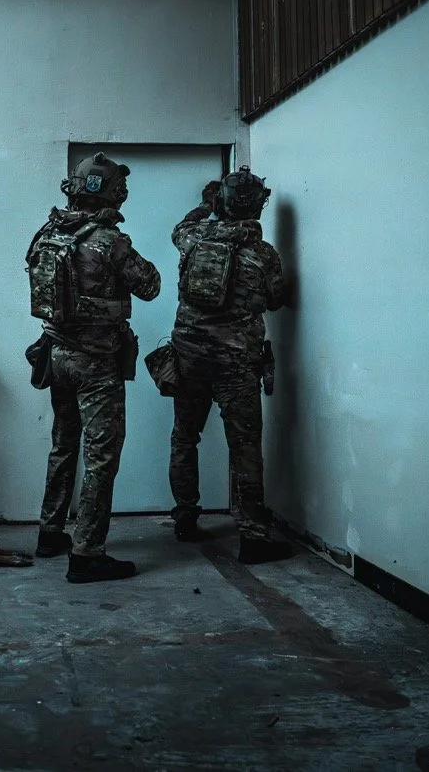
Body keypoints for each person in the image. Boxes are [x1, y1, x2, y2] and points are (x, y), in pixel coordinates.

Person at [25, 152, 160, 583]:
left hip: (56, 355)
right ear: (110, 191)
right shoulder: (109, 240)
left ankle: (50, 532)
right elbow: (151, 286)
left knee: (63, 445)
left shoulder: (49, 232)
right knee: (101, 456)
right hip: (96, 364)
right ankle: (87, 553)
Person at [167, 166, 297, 564]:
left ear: (220, 201)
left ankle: (185, 518)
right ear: (258, 207)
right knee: (244, 446)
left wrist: (204, 206)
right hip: (237, 364)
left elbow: (178, 228)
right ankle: (253, 536)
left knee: (185, 437)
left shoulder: (193, 238)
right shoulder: (264, 254)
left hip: (190, 357)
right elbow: (277, 300)